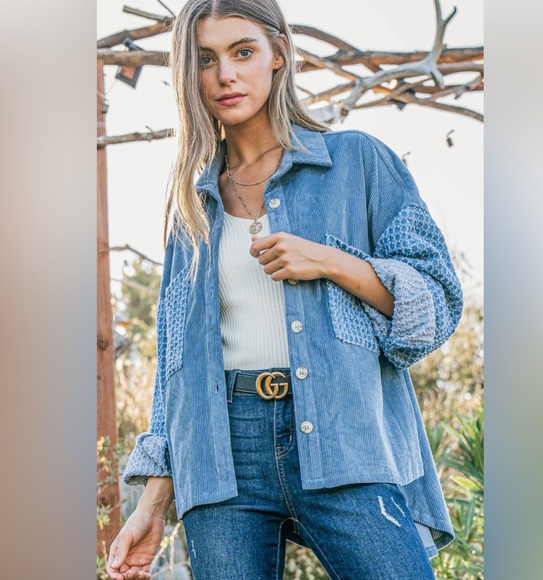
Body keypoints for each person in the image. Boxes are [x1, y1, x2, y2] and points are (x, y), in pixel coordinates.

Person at [106, 0, 463, 578]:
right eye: (205, 59)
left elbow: (438, 301)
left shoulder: (357, 162)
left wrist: (332, 262)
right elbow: (176, 362)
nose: (225, 74)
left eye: (242, 52)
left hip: (346, 438)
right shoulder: (190, 205)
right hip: (221, 459)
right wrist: (152, 501)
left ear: (279, 53)